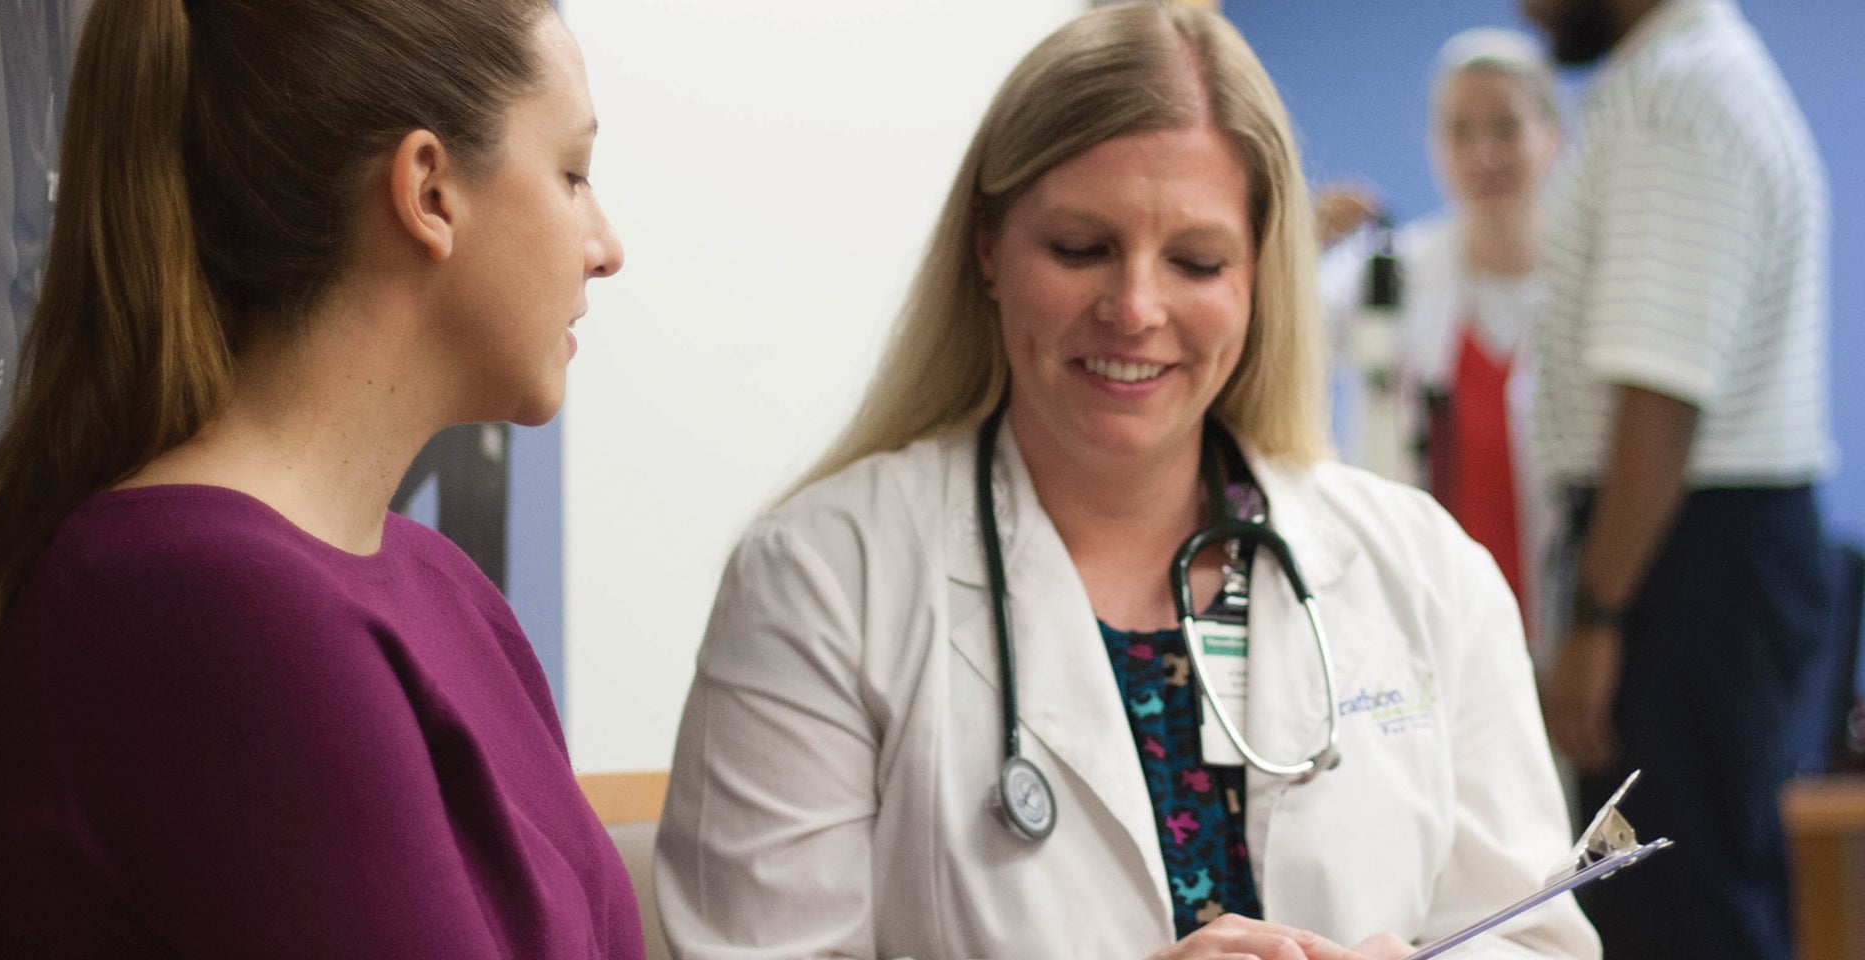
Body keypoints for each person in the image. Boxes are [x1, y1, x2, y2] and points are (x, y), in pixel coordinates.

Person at [653, 5, 1597, 959]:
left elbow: (1537, 941)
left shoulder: (1426, 568)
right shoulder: (821, 577)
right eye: (1080, 249)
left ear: (1259, 275)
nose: (1135, 308)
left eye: (1195, 261)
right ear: (989, 248)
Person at [0, 0, 636, 956]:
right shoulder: (200, 599)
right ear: (428, 192)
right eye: (571, 174)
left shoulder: (443, 588)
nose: (606, 247)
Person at [1520, 0, 1835, 958]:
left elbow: (1660, 391)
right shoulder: (1690, 77)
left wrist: (1599, 617)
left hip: (1683, 552)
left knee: (1670, 908)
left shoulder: (1679, 96)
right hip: (1698, 544)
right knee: (1685, 892)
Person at [1316, 27, 1563, 640]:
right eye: (1459, 131)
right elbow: (1270, 339)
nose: (1484, 153)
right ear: (1434, 147)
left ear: (1553, 135)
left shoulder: (1594, 288)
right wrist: (1298, 242)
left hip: (1558, 622)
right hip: (1413, 615)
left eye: (1506, 128)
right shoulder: (1387, 275)